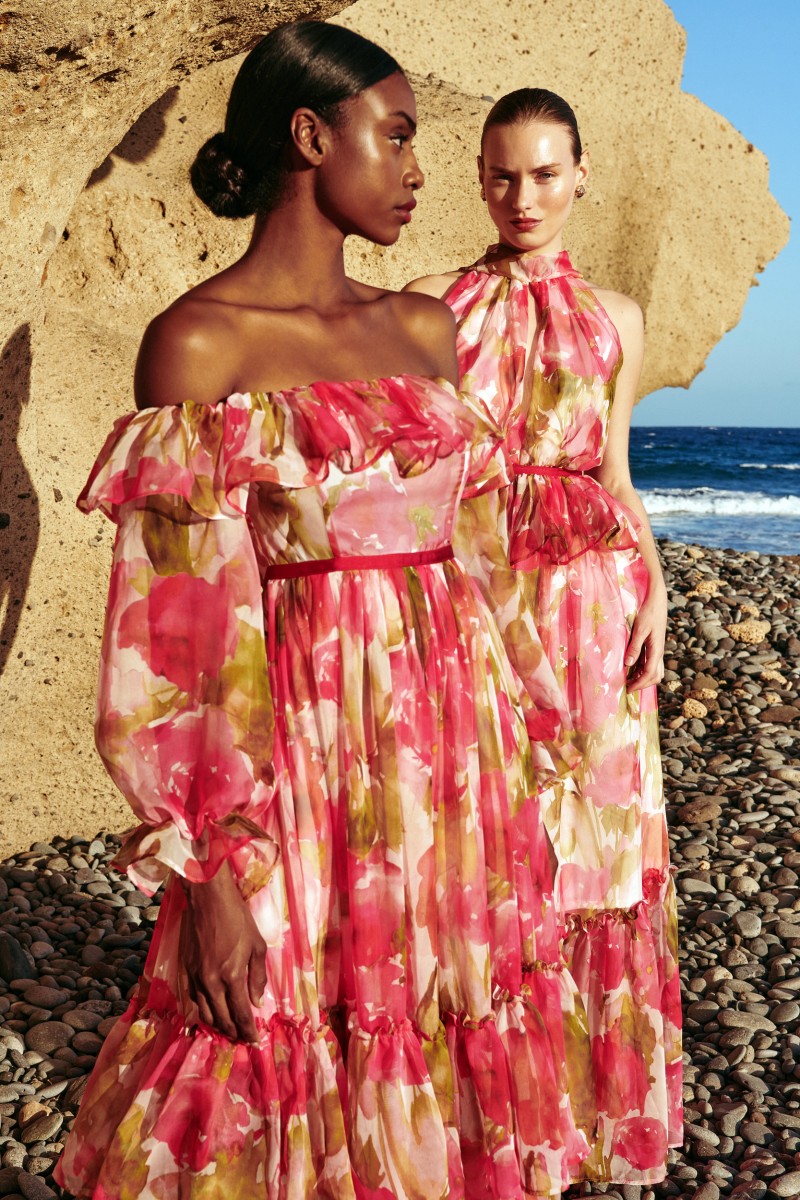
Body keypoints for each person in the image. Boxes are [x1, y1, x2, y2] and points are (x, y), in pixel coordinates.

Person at [55, 34, 595, 1200]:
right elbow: (177, 645)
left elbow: (478, 568)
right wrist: (203, 877)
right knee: (264, 1029)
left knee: (447, 1015)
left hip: (454, 766)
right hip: (297, 759)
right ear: (310, 136)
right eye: (393, 134)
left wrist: (534, 758)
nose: (414, 169)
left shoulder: (421, 331)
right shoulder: (201, 344)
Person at [406, 88, 683, 1186]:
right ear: (478, 179)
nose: (522, 195)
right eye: (500, 174)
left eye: (543, 173)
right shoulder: (428, 303)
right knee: (483, 843)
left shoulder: (616, 314)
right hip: (476, 594)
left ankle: (584, 1109)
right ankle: (488, 1117)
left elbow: (614, 469)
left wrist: (655, 588)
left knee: (598, 855)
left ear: (580, 176)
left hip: (594, 603)